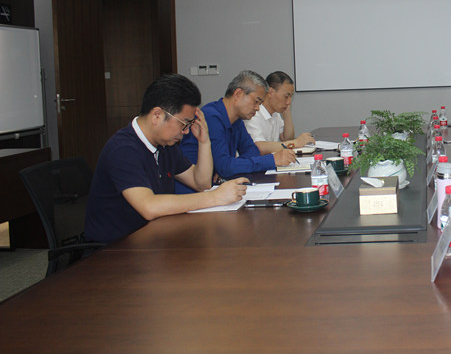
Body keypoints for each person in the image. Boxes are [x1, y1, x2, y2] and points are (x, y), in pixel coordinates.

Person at [85, 74, 248, 243]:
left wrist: (204, 142)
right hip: (115, 248)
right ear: (157, 115)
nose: (186, 132)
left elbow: (201, 183)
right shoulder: (123, 149)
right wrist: (214, 197)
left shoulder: (165, 146)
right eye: (183, 124)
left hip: (153, 238)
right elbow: (149, 207)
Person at [181, 70, 295, 180]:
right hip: (193, 187)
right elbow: (225, 167)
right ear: (238, 94)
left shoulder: (237, 120)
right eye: (256, 102)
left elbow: (252, 152)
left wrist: (233, 166)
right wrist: (271, 160)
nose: (257, 108)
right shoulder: (211, 117)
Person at [244, 71, 315, 155]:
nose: (289, 102)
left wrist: (286, 112)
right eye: (286, 96)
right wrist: (295, 143)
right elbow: (259, 147)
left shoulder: (275, 113)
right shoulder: (253, 114)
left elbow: (286, 138)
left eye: (291, 97)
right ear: (271, 92)